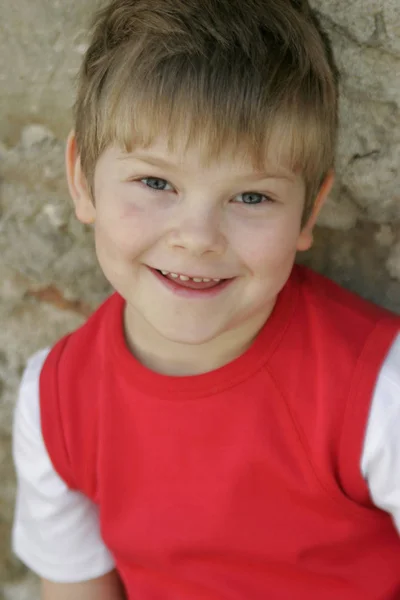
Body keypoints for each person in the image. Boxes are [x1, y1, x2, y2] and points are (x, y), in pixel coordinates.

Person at [12, 0, 400, 598]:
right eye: (156, 182)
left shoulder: (376, 391)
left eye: (250, 197)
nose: (197, 238)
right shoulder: (56, 402)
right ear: (83, 179)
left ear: (309, 210)